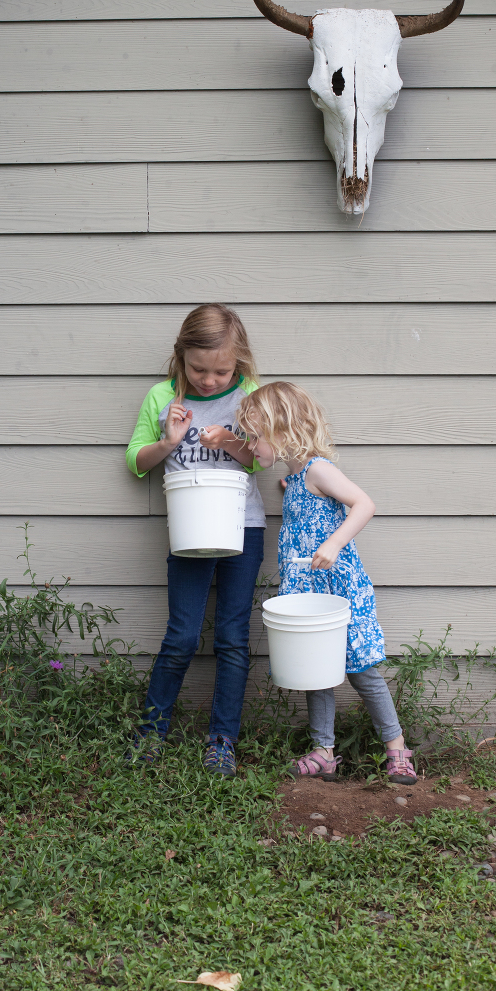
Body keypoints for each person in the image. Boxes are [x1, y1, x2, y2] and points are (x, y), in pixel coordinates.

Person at [236, 381, 416, 785]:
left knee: (363, 671)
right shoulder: (297, 476)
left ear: (280, 430)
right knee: (316, 669)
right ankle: (323, 752)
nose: (250, 446)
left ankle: (397, 748)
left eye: (254, 436)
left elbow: (364, 504)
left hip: (340, 590)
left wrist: (334, 542)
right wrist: (291, 491)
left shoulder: (318, 468)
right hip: (311, 594)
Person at [125, 303, 265, 777]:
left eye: (221, 371)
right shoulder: (161, 397)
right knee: (181, 635)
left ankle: (222, 740)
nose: (209, 381)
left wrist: (229, 441)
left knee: (231, 637)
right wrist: (169, 440)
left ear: (239, 363)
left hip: (242, 526)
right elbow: (136, 461)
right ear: (181, 357)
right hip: (187, 529)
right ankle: (151, 733)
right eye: (199, 369)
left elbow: (261, 459)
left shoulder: (250, 395)